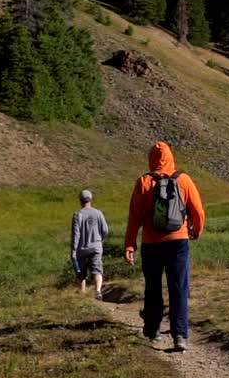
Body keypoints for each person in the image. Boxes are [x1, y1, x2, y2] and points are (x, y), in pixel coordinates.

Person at [125, 141, 205, 352]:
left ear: (151, 158)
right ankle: (179, 335)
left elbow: (135, 217)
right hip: (178, 241)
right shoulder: (184, 180)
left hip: (151, 243)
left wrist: (130, 244)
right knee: (178, 288)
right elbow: (198, 211)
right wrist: (195, 232)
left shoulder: (144, 182)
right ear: (171, 157)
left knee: (152, 288)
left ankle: (153, 330)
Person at [71, 189, 109, 300]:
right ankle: (98, 291)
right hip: (96, 247)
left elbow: (76, 234)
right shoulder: (98, 213)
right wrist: (99, 240)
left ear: (80, 200)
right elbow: (105, 230)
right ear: (91, 199)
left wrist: (73, 250)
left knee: (81, 273)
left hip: (81, 249)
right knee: (97, 270)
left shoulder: (77, 215)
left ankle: (82, 294)